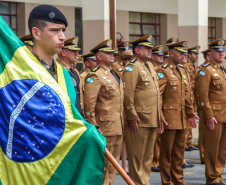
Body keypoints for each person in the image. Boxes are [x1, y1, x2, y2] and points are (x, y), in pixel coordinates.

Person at [157, 40, 198, 185]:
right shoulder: (163, 71)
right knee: (166, 154)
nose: (183, 56)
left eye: (184, 53)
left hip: (182, 119)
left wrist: (190, 113)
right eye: (180, 53)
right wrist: (160, 117)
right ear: (172, 53)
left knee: (179, 154)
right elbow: (158, 96)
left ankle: (178, 180)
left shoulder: (182, 70)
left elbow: (186, 95)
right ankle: (167, 182)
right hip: (169, 119)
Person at [83, 39, 124, 185]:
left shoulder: (114, 74)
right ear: (99, 57)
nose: (112, 55)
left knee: (112, 167)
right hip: (104, 128)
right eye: (108, 53)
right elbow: (89, 106)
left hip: (118, 126)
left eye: (113, 53)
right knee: (104, 166)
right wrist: (95, 126)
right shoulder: (95, 75)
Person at [123, 35, 160, 185]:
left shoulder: (149, 65)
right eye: (146, 48)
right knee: (137, 158)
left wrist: (160, 117)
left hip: (152, 118)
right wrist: (132, 116)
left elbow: (156, 93)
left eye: (150, 48)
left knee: (147, 158)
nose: (150, 51)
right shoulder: (132, 66)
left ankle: (144, 182)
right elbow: (128, 93)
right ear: (137, 50)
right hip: (139, 119)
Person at [196, 39, 226, 185]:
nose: (221, 54)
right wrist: (208, 115)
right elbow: (202, 95)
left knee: (222, 149)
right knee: (212, 149)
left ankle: (218, 175)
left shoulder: (222, 69)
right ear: (211, 53)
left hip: (224, 115)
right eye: (218, 51)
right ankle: (212, 178)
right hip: (214, 116)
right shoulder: (205, 70)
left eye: (223, 51)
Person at [28, 5, 67, 82]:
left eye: (63, 30)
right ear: (36, 33)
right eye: (55, 30)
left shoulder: (65, 74)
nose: (63, 37)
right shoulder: (21, 72)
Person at [56, 36, 84, 116]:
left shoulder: (74, 71)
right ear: (63, 53)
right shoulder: (57, 69)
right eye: (73, 51)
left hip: (77, 114)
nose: (76, 53)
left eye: (77, 51)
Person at [150, 45, 164, 173]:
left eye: (162, 56)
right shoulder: (152, 69)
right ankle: (154, 161)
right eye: (159, 56)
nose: (162, 58)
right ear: (153, 57)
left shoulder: (160, 70)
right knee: (156, 139)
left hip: (163, 109)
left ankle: (158, 160)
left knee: (160, 139)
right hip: (154, 109)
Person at [195, 48, 210, 164]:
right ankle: (204, 155)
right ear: (208, 57)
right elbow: (201, 91)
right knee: (205, 132)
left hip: (215, 106)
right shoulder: (202, 70)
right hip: (204, 105)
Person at [184, 45, 200, 152]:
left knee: (191, 119)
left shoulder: (194, 66)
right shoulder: (186, 66)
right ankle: (185, 142)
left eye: (197, 54)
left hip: (192, 96)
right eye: (195, 54)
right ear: (189, 55)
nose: (197, 56)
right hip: (187, 96)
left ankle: (188, 142)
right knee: (187, 120)